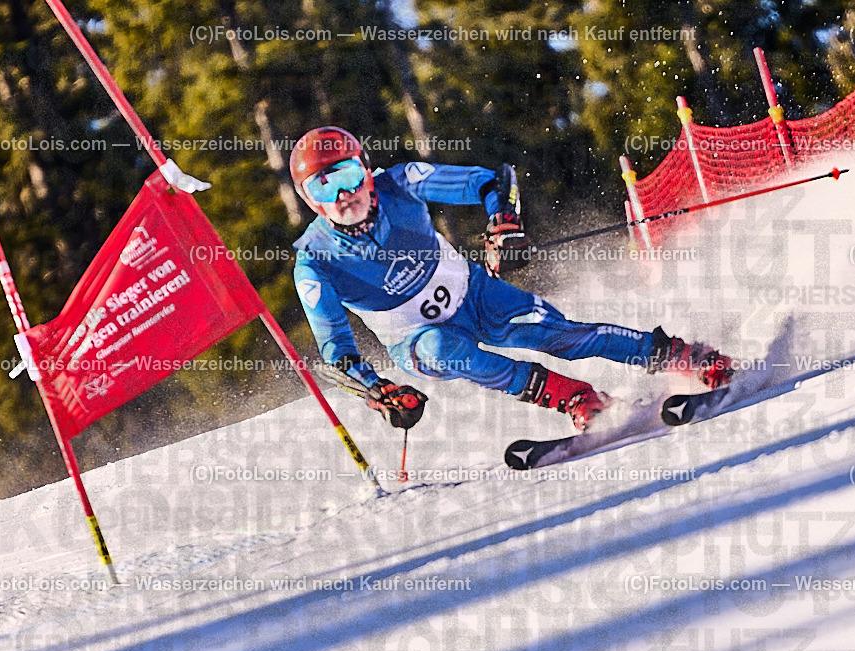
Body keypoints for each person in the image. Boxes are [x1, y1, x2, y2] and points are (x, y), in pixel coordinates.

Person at [290, 126, 732, 432]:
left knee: (559, 337)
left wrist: (503, 223)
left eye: (346, 175)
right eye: (323, 187)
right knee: (443, 348)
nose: (343, 195)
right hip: (414, 338)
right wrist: (379, 391)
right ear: (311, 202)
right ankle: (576, 399)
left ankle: (687, 357)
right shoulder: (314, 261)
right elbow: (336, 350)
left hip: (477, 295)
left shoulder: (401, 183)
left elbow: (492, 181)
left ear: (365, 171)